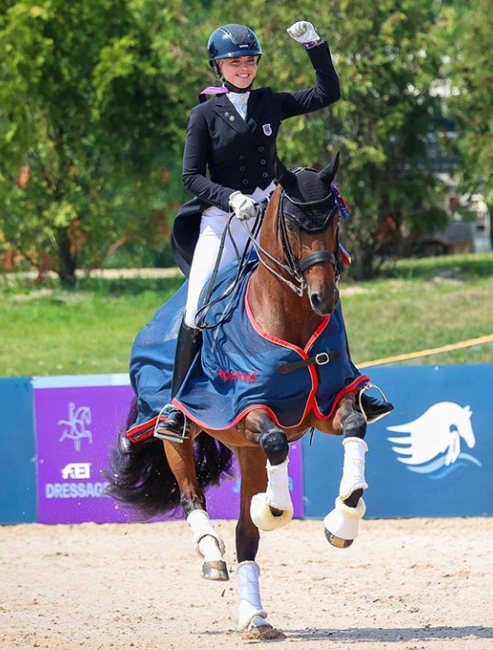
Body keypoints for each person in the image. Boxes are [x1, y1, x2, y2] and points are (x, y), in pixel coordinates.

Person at [157, 21, 392, 442]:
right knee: (197, 304)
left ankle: (354, 385)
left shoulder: (269, 102)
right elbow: (191, 176)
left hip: (272, 217)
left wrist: (314, 46)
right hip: (224, 219)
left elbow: (327, 93)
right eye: (234, 62)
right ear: (218, 66)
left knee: (321, 282)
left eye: (249, 61)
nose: (244, 68)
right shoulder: (204, 115)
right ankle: (178, 409)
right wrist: (230, 198)